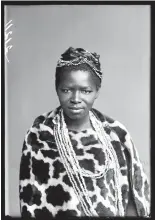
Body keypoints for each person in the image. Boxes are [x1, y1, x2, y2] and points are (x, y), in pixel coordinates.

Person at [19, 47, 150, 218]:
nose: (75, 98)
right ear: (56, 88)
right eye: (66, 90)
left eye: (85, 91)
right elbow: (30, 203)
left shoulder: (116, 134)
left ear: (97, 91)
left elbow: (133, 197)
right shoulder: (40, 135)